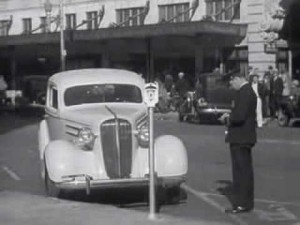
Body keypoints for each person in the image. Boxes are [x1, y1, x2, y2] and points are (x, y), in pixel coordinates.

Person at [219, 73, 257, 214]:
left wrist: (228, 118)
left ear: (238, 78)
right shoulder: (246, 92)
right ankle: (245, 202)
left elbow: (240, 116)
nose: (231, 85)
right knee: (244, 170)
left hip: (241, 137)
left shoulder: (245, 92)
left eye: (231, 81)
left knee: (241, 172)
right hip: (243, 137)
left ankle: (242, 203)